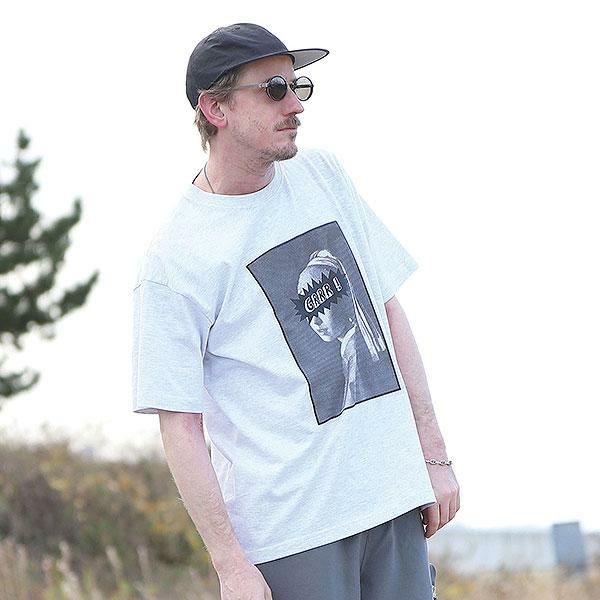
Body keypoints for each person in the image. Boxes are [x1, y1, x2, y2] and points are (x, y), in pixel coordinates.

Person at [131, 22, 460, 600]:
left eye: (297, 85)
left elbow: (387, 310)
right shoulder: (176, 258)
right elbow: (179, 424)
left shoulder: (323, 175)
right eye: (274, 89)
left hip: (391, 500)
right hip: (292, 534)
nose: (295, 104)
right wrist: (230, 564)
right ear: (215, 108)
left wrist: (433, 455)